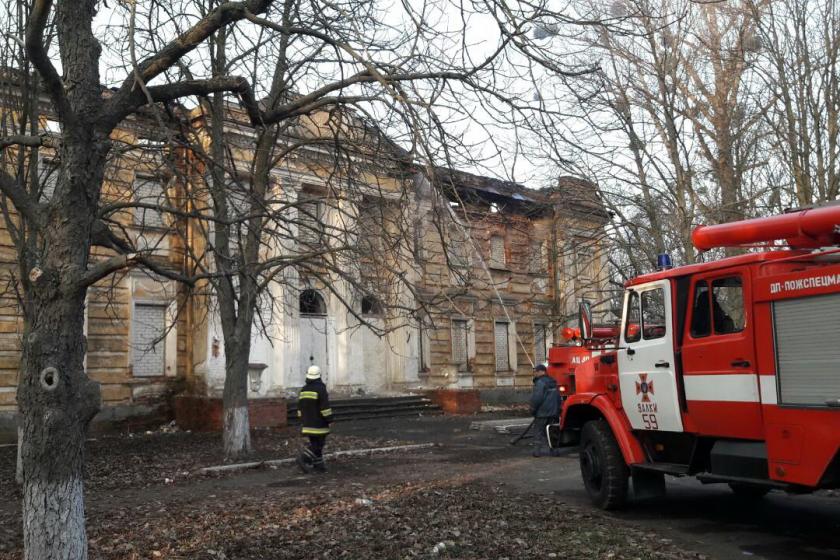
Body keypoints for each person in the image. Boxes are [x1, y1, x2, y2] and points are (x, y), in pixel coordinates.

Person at [296, 365, 333, 473]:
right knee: (319, 445)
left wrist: (302, 420)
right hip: (319, 424)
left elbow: (300, 408)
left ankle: (319, 467)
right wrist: (330, 419)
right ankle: (304, 457)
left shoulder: (304, 389)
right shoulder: (321, 389)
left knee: (315, 444)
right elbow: (325, 407)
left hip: (307, 423)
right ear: (319, 376)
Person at [529, 364, 561, 457]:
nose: (534, 373)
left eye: (535, 371)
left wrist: (533, 409)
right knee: (552, 432)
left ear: (540, 371)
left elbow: (537, 398)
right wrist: (558, 409)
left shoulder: (540, 383)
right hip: (554, 412)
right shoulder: (553, 382)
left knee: (538, 432)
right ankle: (554, 451)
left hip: (542, 412)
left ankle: (537, 452)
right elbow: (558, 397)